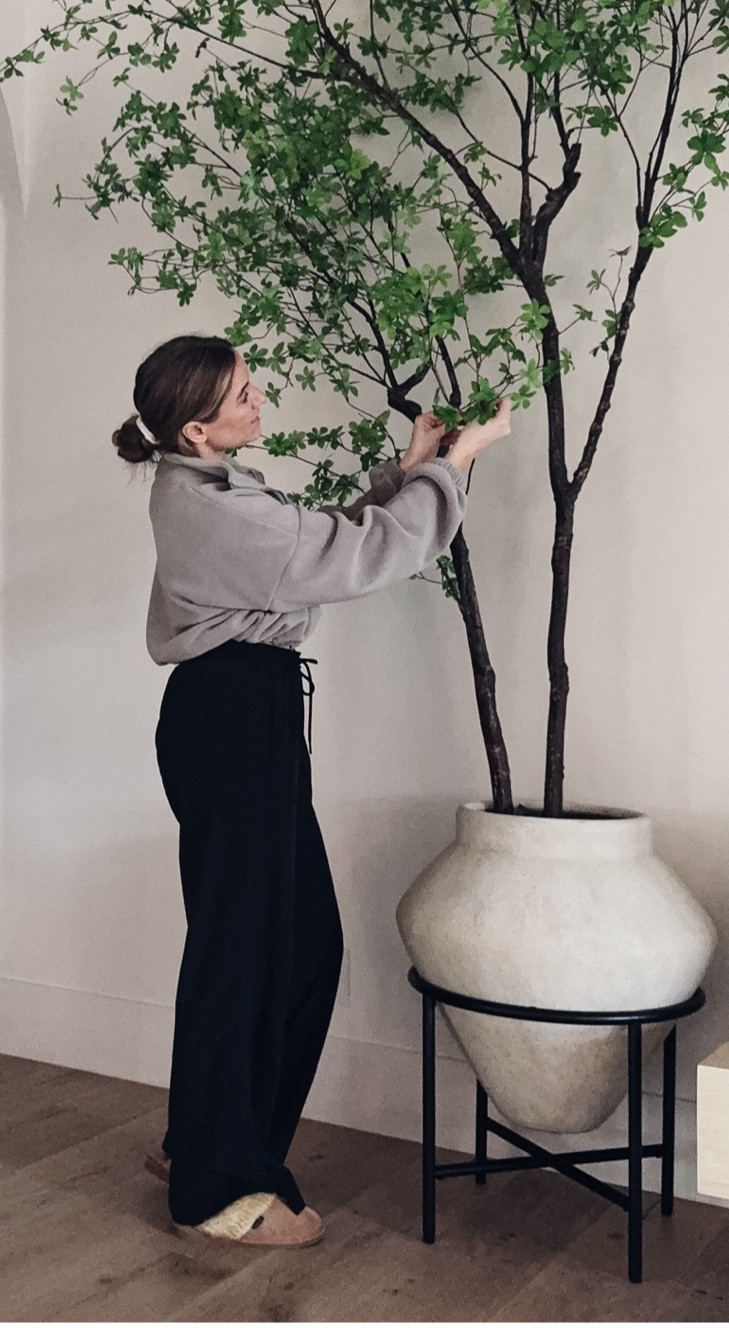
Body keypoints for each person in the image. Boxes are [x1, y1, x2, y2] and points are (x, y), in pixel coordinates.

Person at [112, 333, 511, 1248]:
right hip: (233, 724)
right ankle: (217, 1190)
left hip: (239, 717)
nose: (259, 400)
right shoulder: (212, 507)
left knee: (288, 946)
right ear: (196, 429)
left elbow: (316, 541)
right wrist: (451, 468)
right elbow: (363, 556)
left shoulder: (210, 485)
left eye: (252, 384)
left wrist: (407, 469)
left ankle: (205, 1144)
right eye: (242, 395)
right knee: (249, 953)